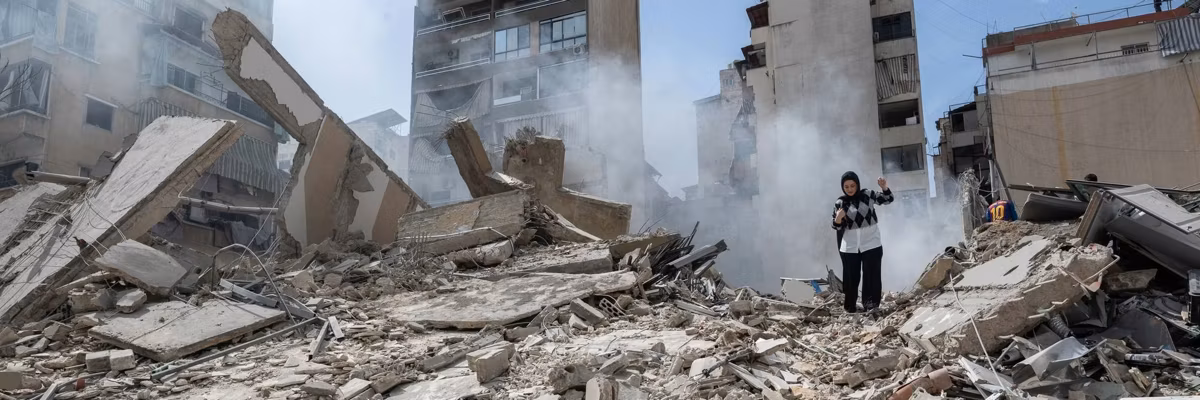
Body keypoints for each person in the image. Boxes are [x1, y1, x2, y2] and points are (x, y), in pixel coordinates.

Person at [832, 171, 893, 313]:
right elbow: (836, 226)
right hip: (850, 247)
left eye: (852, 185)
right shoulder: (840, 202)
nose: (850, 189)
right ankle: (850, 307)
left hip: (871, 243)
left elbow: (888, 199)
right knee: (850, 278)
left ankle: (871, 305)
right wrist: (838, 219)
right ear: (843, 187)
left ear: (857, 184)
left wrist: (884, 187)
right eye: (846, 187)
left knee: (872, 275)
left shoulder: (868, 195)